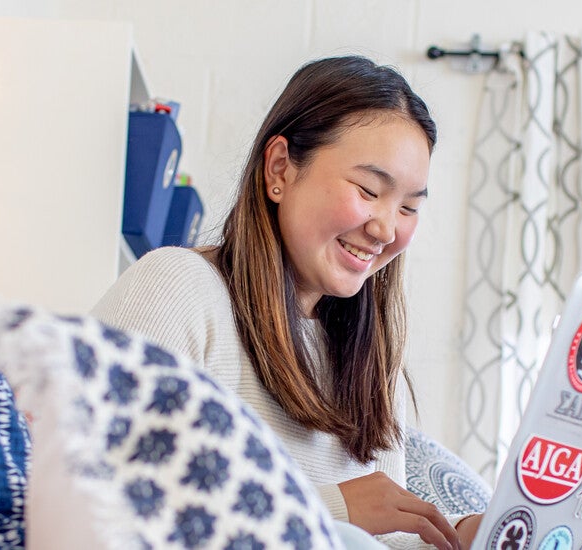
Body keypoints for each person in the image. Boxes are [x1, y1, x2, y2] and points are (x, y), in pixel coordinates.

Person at [92, 56, 484, 549]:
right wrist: (333, 508)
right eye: (368, 190)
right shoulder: (177, 287)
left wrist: (461, 537)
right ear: (280, 168)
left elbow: (375, 538)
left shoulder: (372, 369)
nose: (386, 229)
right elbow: (93, 491)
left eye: (408, 207)